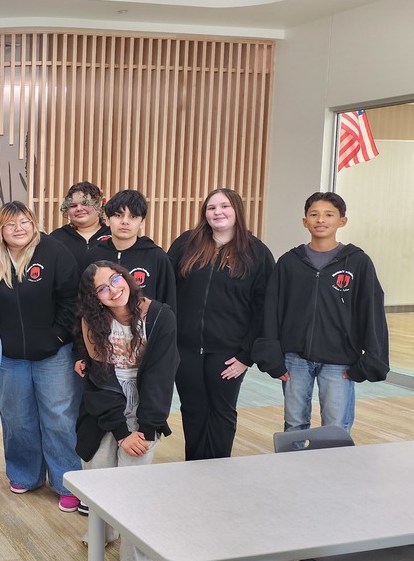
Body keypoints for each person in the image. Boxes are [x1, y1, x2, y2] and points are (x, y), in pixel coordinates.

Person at [0, 201, 83, 512]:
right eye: (10, 224)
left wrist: (59, 335)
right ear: (0, 230)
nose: (18, 229)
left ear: (33, 223)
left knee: (58, 418)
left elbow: (71, 299)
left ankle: (67, 482)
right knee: (17, 417)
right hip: (9, 356)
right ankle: (25, 474)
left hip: (54, 352)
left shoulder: (54, 252)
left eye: (24, 222)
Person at [75, 261, 177, 561]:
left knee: (135, 488)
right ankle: (103, 532)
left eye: (115, 279)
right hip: (105, 404)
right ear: (95, 298)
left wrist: (145, 430)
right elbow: (102, 379)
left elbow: (161, 377)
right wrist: (121, 432)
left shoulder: (160, 316)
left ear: (127, 278)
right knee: (99, 474)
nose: (113, 289)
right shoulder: (92, 321)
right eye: (102, 288)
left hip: (144, 405)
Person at [254, 192, 389, 432]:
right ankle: (294, 468)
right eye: (314, 214)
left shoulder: (358, 262)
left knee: (336, 428)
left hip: (340, 361)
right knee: (294, 425)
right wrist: (271, 356)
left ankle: (336, 470)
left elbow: (371, 311)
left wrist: (371, 359)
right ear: (305, 221)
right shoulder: (289, 262)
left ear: (342, 221)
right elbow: (271, 310)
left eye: (329, 215)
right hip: (294, 358)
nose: (321, 220)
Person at [167, 188, 275, 460]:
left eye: (225, 206)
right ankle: (194, 467)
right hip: (186, 348)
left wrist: (246, 356)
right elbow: (167, 292)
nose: (218, 212)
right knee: (192, 410)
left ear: (237, 210)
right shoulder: (186, 244)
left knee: (222, 411)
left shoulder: (257, 253)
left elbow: (264, 309)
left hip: (229, 352)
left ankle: (218, 472)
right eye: (211, 207)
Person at [83, 189, 176, 310]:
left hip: (144, 327)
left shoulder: (156, 257)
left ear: (142, 222)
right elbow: (83, 300)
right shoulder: (92, 256)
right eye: (118, 215)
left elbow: (168, 303)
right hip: (101, 326)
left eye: (133, 216)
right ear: (107, 219)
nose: (125, 222)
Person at [51, 182, 111, 269]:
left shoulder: (113, 234)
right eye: (73, 206)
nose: (79, 209)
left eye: (85, 204)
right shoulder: (57, 238)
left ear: (99, 206)